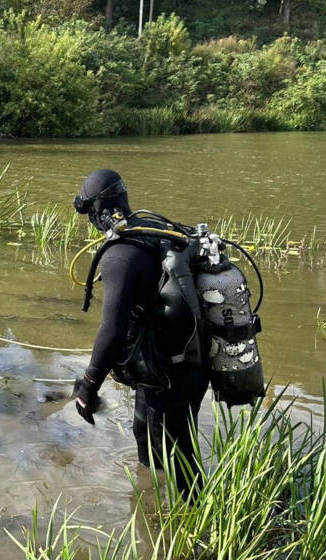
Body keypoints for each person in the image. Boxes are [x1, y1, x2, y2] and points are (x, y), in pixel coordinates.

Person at [70, 169, 208, 480]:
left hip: (172, 371)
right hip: (179, 365)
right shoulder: (156, 229)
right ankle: (151, 510)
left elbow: (112, 330)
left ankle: (205, 523)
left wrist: (89, 386)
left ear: (97, 212)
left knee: (178, 461)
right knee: (145, 438)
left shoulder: (119, 254)